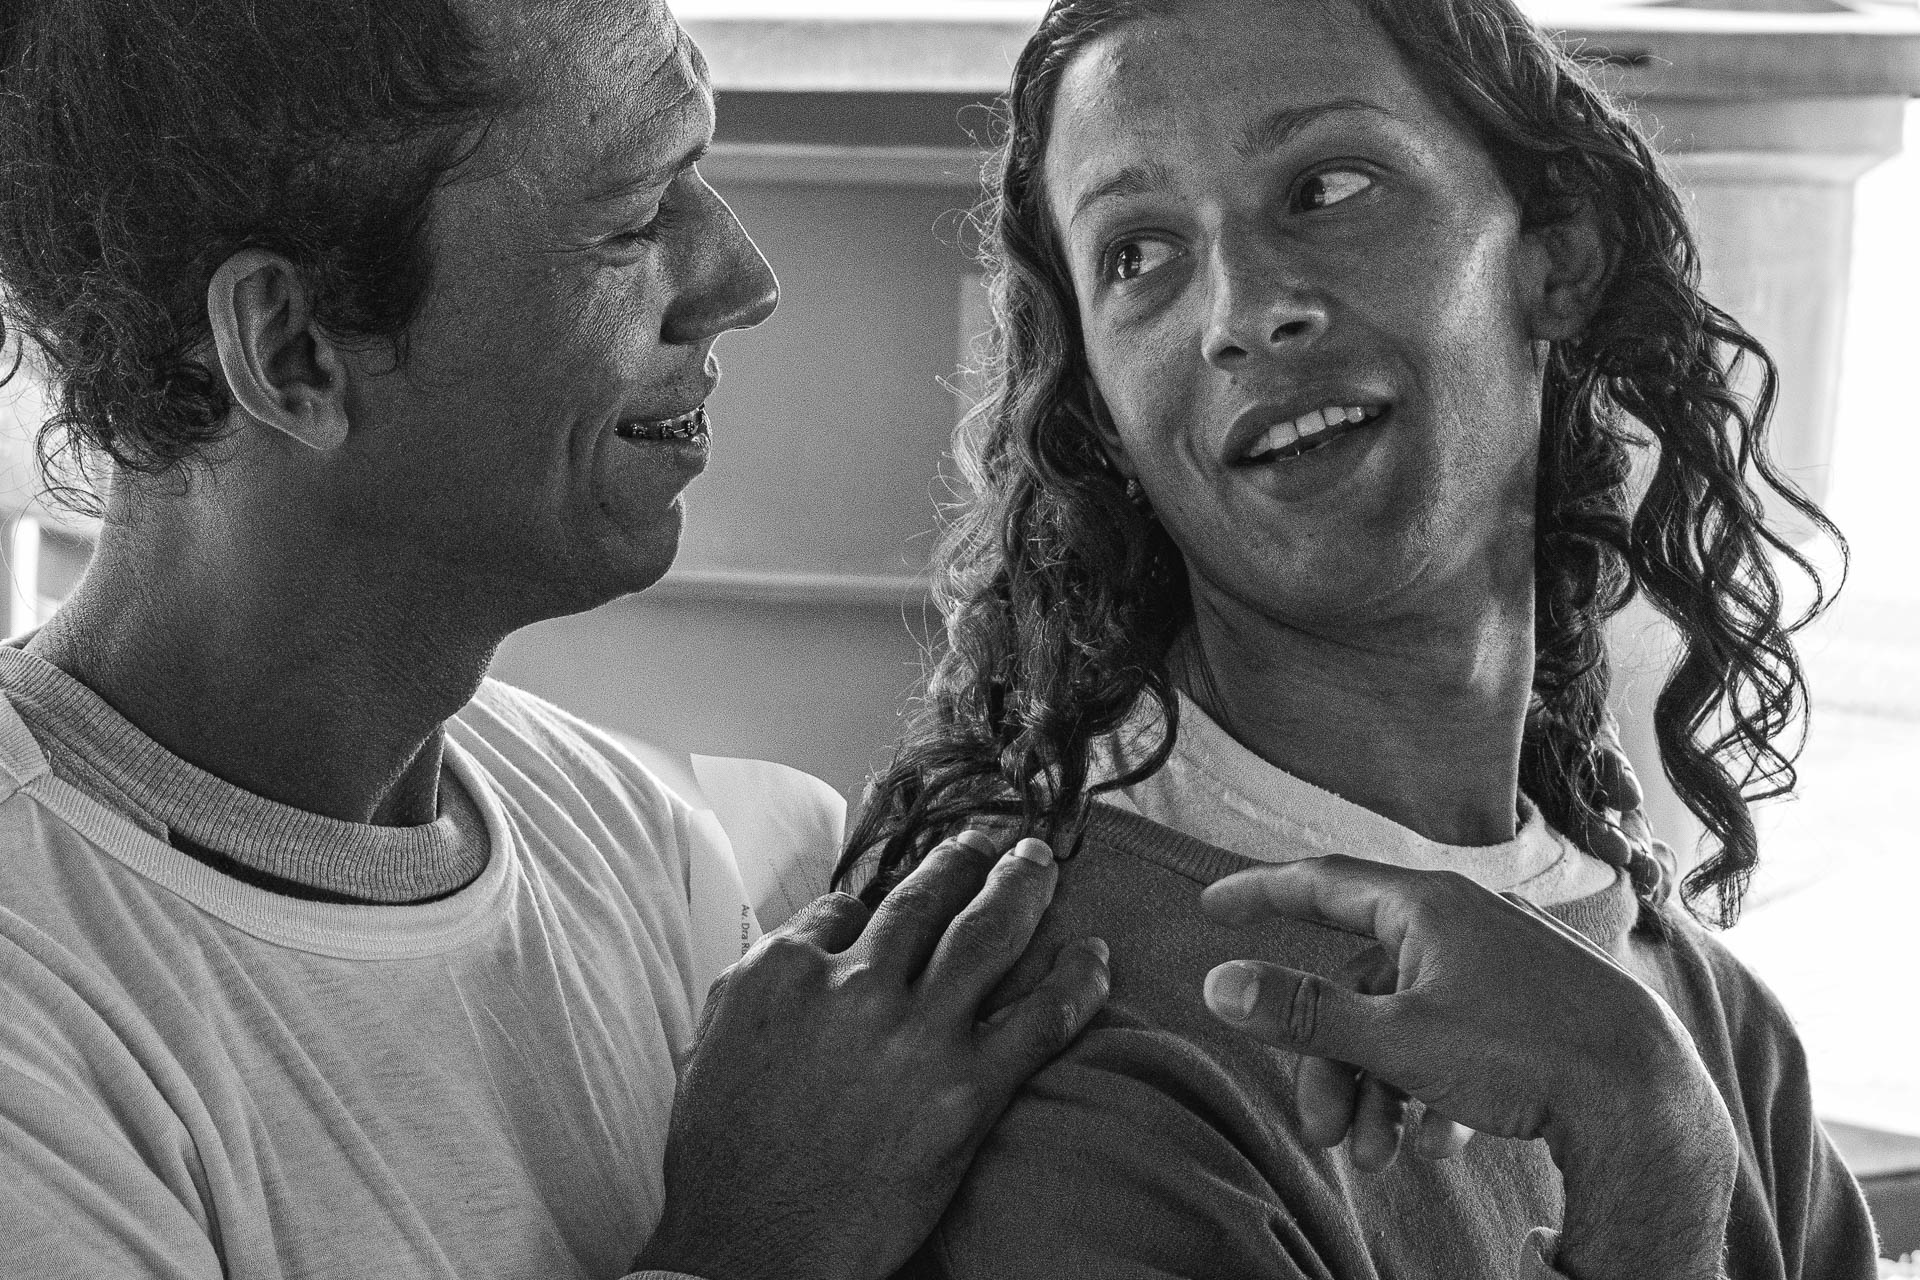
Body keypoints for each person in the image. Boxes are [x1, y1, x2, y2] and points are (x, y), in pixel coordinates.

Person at [0, 1, 1120, 1276]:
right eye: (634, 219)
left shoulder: (644, 850)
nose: (743, 280)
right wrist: (755, 1247)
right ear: (291, 350)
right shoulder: (36, 1007)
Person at [840, 0, 1881, 1276]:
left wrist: (1651, 1105)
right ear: (1101, 407)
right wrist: (1647, 1168)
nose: (1245, 311)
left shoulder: (1710, 1029)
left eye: (1327, 187)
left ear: (1558, 255)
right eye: (1139, 252)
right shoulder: (1071, 1025)